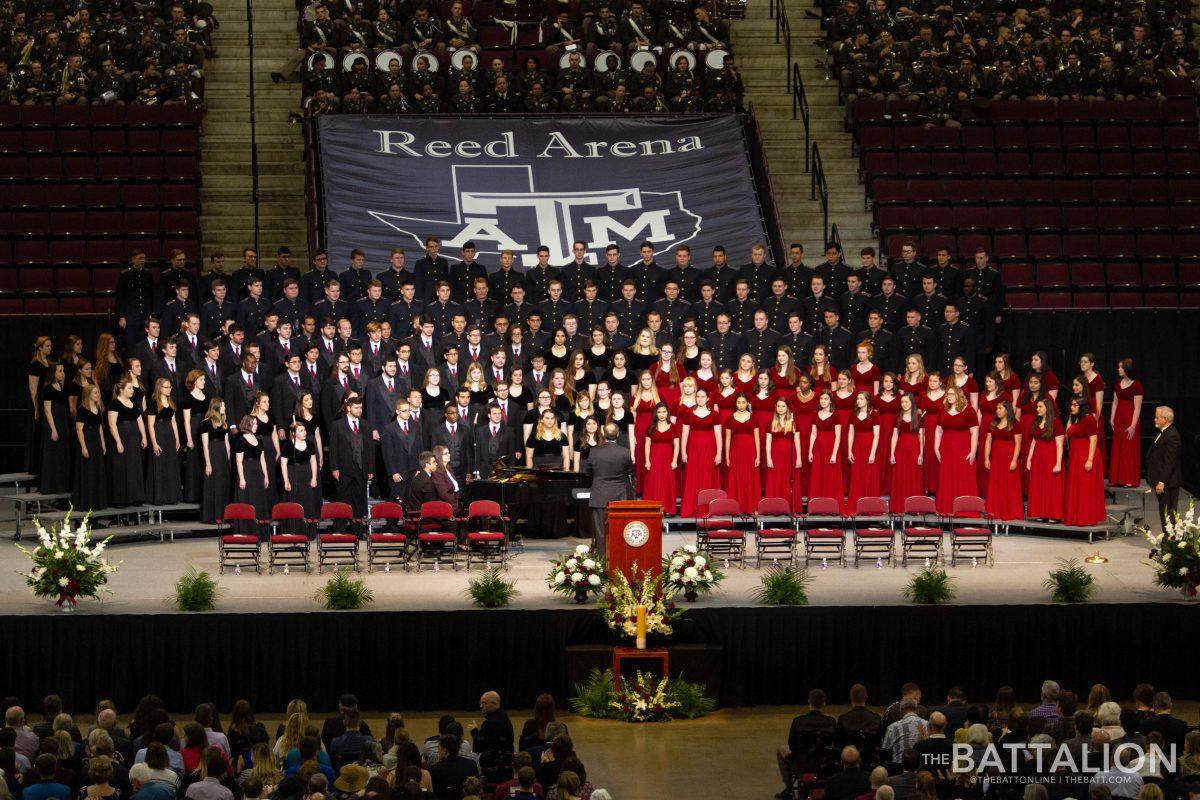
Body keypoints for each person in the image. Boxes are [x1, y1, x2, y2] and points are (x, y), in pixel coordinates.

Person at [583, 423, 635, 550]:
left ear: (604, 434)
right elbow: (630, 472)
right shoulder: (625, 452)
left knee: (600, 533)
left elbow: (588, 472)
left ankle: (601, 561)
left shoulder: (594, 452)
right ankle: (620, 559)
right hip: (620, 497)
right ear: (617, 435)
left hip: (600, 496)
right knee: (620, 530)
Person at [934, 385, 979, 514]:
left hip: (963, 449)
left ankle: (965, 511)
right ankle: (946, 508)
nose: (949, 396)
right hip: (947, 450)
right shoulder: (942, 410)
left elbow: (974, 432)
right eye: (948, 394)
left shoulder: (969, 411)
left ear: (959, 395)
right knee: (947, 478)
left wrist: (973, 451)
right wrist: (936, 448)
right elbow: (938, 430)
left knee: (963, 478)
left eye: (952, 394)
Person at [1064, 396, 1106, 526]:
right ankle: (1075, 517)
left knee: (1085, 488)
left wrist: (1090, 460)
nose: (1072, 407)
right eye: (1071, 405)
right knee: (1076, 486)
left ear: (1082, 407)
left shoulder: (1089, 419)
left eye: (1075, 405)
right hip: (1075, 456)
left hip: (1086, 455)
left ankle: (1085, 518)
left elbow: (1094, 439)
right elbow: (1067, 434)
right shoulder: (1075, 419)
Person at [108, 380, 147, 507]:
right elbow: (112, 424)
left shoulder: (134, 403)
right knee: (122, 467)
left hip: (133, 439)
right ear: (121, 390)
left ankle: (135, 497)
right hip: (122, 437)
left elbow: (139, 420)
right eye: (130, 388)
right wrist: (118, 442)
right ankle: (121, 499)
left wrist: (144, 437)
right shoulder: (115, 404)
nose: (132, 390)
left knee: (134, 466)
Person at [1026, 398, 1066, 522]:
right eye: (1037, 407)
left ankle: (1052, 514)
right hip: (1038, 457)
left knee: (1050, 485)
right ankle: (1041, 513)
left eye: (1040, 407)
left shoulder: (1056, 423)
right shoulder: (1037, 422)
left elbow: (1059, 445)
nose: (1037, 409)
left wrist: (1058, 463)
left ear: (1047, 408)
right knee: (1039, 484)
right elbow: (1033, 441)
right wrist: (1029, 459)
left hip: (1050, 456)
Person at [984, 401, 1024, 521]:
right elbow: (988, 441)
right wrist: (986, 458)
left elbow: (1018, 444)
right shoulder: (993, 423)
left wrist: (1014, 460)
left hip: (1008, 458)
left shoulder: (1015, 424)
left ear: (1007, 410)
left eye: (1000, 408)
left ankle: (1010, 511)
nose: (997, 410)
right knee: (995, 484)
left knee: (1009, 484)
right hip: (996, 459)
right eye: (997, 408)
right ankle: (994, 511)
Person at [73, 385, 109, 512]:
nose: (98, 394)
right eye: (95, 393)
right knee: (88, 471)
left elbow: (99, 426)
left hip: (96, 441)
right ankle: (86, 502)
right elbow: (79, 429)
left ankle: (97, 501)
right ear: (88, 394)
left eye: (98, 392)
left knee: (97, 470)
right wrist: (83, 446)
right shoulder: (82, 409)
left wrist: (103, 443)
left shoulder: (97, 407)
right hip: (87, 439)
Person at [1108, 359, 1144, 488]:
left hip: (1130, 419)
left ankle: (1129, 478)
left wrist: (1133, 425)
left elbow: (1137, 407)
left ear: (1127, 369)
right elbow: (1115, 402)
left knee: (1128, 448)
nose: (1118, 369)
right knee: (1118, 446)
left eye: (1120, 367)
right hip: (1119, 419)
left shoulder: (1137, 385)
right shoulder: (1118, 383)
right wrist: (1111, 418)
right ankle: (1117, 478)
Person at [724, 393, 761, 512]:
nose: (741, 405)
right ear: (735, 403)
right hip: (736, 452)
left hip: (750, 452)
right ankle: (736, 508)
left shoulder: (754, 418)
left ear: (747, 403)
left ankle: (751, 507)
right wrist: (727, 456)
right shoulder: (730, 418)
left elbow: (757, 438)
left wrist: (758, 456)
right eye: (739, 402)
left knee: (750, 478)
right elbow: (728, 439)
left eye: (743, 402)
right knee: (737, 477)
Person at [1146, 406, 1181, 531]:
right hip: (1162, 482)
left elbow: (1169, 462)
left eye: (1157, 417)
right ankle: (1167, 543)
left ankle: (1171, 544)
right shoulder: (1163, 433)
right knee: (1164, 512)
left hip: (1168, 483)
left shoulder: (1172, 436)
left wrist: (1162, 482)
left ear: (1165, 419)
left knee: (1168, 514)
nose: (1154, 419)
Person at [642, 403, 679, 515]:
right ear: (655, 413)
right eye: (659, 412)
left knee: (667, 483)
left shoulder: (673, 426)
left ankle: (667, 509)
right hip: (655, 458)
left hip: (668, 459)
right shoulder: (651, 427)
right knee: (654, 482)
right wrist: (647, 460)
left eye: (664, 412)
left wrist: (675, 460)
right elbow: (647, 444)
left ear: (667, 412)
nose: (662, 414)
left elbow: (677, 445)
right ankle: (652, 508)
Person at [808, 391, 844, 504]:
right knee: (818, 475)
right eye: (821, 398)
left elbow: (838, 436)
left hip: (831, 447)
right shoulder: (815, 414)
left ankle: (831, 504)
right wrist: (810, 451)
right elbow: (813, 433)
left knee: (830, 476)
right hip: (818, 448)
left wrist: (834, 454)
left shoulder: (835, 414)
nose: (823, 401)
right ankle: (818, 504)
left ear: (830, 401)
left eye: (826, 399)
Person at [765, 398, 802, 507]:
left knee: (788, 479)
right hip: (775, 455)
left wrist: (799, 457)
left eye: (783, 406)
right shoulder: (771, 422)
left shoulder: (793, 422)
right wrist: (768, 457)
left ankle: (789, 505)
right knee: (775, 478)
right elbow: (768, 441)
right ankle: (774, 506)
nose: (780, 409)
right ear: (775, 407)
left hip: (789, 455)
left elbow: (797, 440)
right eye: (779, 406)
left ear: (787, 408)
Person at [890, 393, 923, 506]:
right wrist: (892, 453)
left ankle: (913, 506)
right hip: (901, 449)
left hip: (914, 448)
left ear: (912, 403)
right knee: (900, 476)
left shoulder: (918, 417)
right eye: (902, 402)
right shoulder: (897, 417)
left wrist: (921, 454)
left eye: (906, 402)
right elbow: (895, 435)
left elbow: (921, 436)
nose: (904, 404)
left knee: (913, 476)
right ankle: (899, 505)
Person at [428, 735, 479, 800]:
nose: (438, 751)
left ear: (445, 750)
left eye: (439, 748)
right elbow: (477, 788)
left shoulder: (434, 769)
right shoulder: (471, 764)